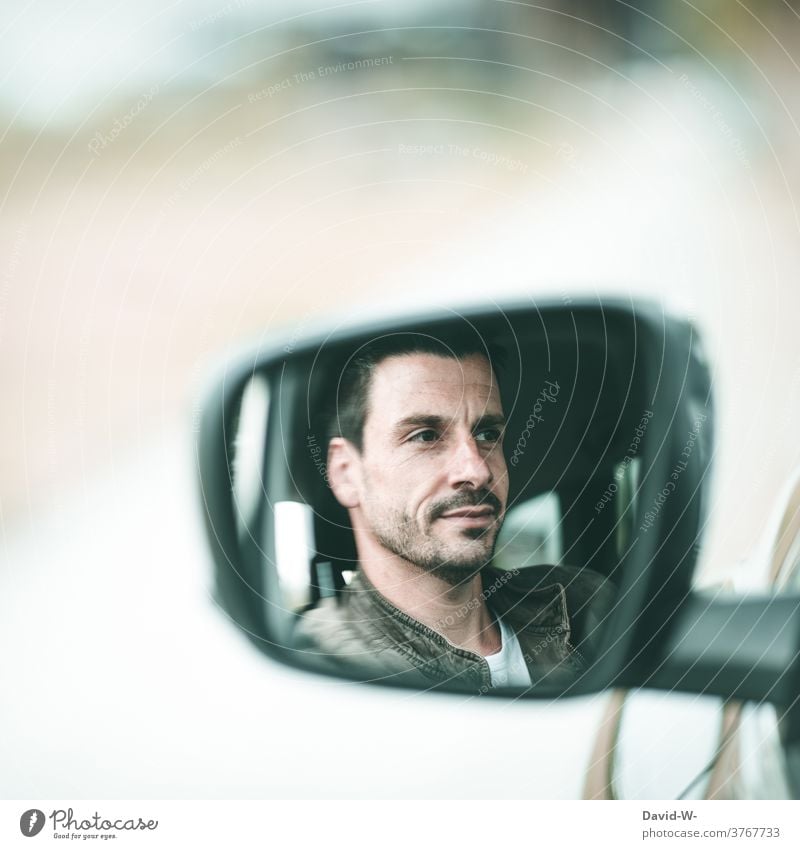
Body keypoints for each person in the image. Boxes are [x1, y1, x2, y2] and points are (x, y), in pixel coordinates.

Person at [292, 333, 614, 691]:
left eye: (488, 433)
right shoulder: (317, 667)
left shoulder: (585, 603)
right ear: (346, 473)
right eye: (426, 436)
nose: (477, 470)